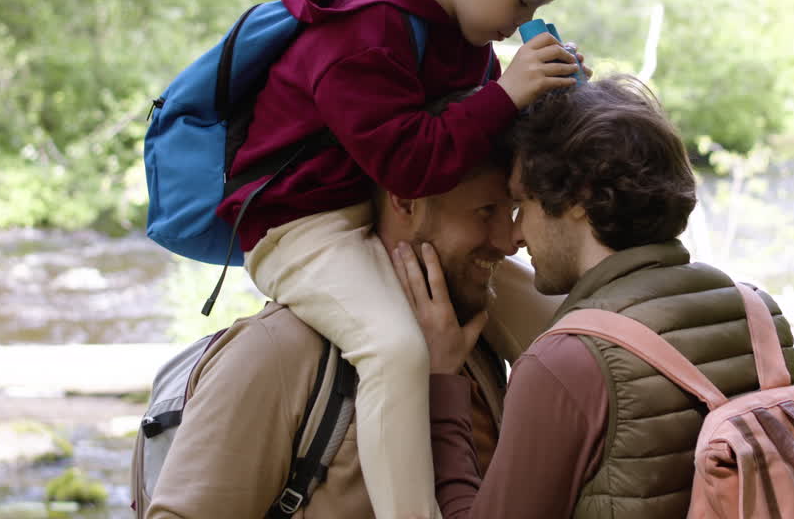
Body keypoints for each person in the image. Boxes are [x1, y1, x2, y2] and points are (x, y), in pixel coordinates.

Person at [213, 0, 584, 518]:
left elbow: (469, 142)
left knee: (561, 321)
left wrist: (546, 91)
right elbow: (411, 162)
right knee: (394, 348)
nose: (524, 19)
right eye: (523, 1)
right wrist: (505, 91)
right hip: (296, 224)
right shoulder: (366, 21)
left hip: (394, 216)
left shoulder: (459, 29)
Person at [392, 76, 794, 519]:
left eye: (521, 204)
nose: (514, 237)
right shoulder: (760, 313)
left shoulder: (567, 359)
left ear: (578, 201)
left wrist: (441, 383)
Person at [142, 123, 561, 518]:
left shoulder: (476, 337)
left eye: (511, 212)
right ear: (405, 200)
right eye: (486, 212)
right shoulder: (277, 353)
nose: (508, 242)